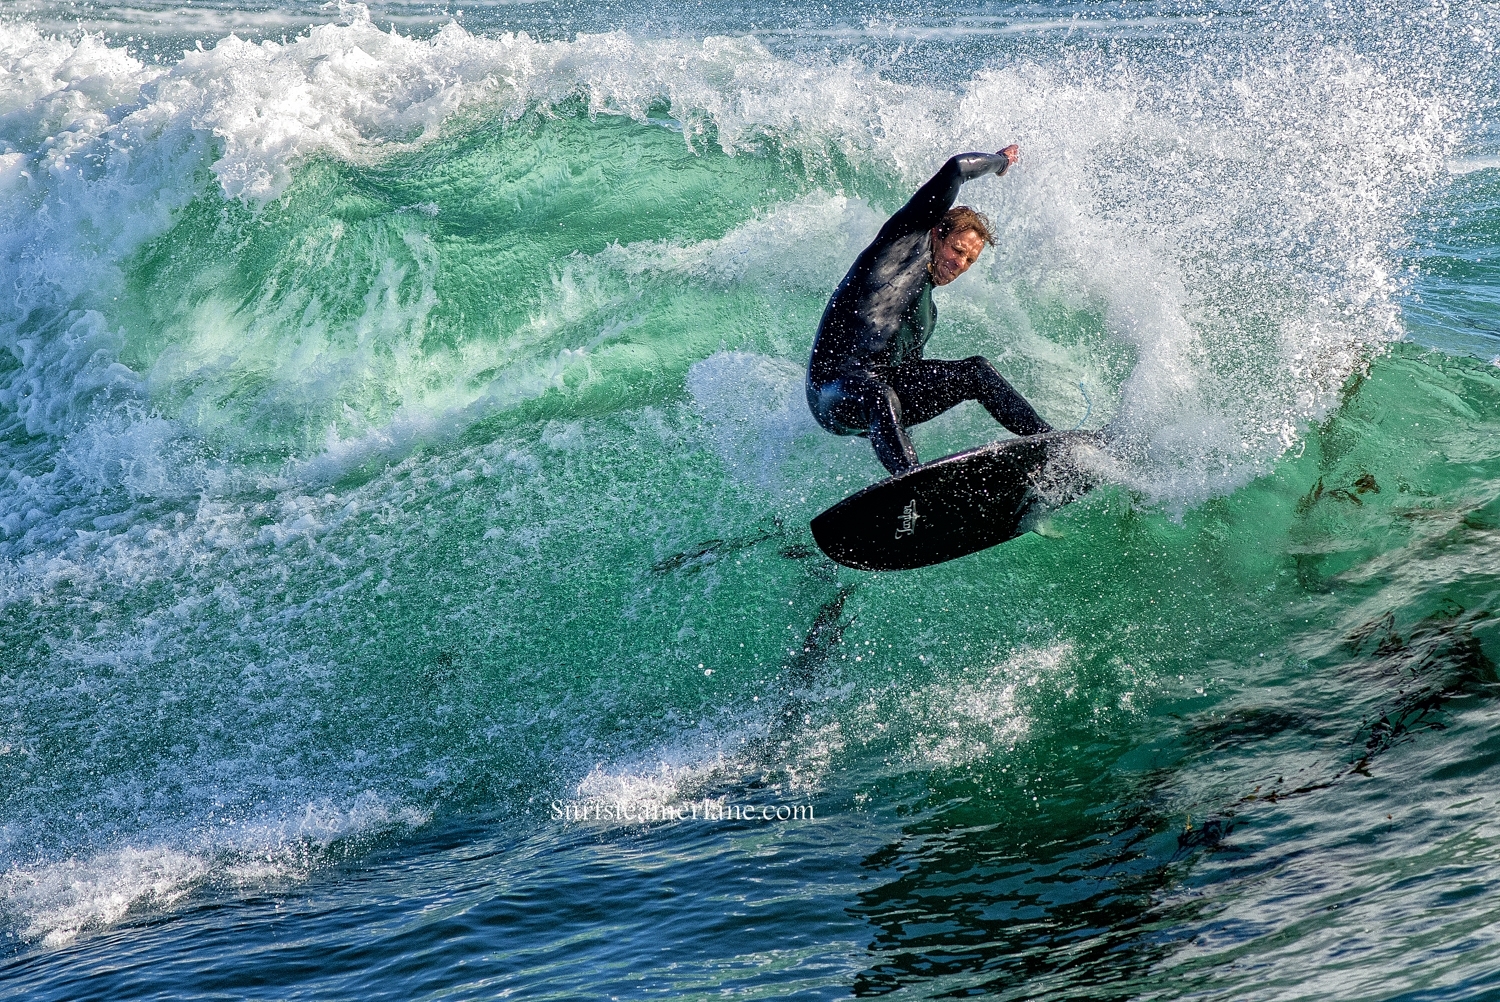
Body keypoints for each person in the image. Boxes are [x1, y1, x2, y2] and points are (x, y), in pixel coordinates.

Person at [806, 144, 1051, 476]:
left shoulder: (926, 315)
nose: (960, 264)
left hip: (880, 394)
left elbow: (909, 381)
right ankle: (911, 485)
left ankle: (1049, 446)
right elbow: (957, 168)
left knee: (976, 372)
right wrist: (1002, 162)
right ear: (937, 233)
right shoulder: (902, 243)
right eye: (957, 250)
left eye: (969, 260)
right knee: (880, 393)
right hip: (832, 390)